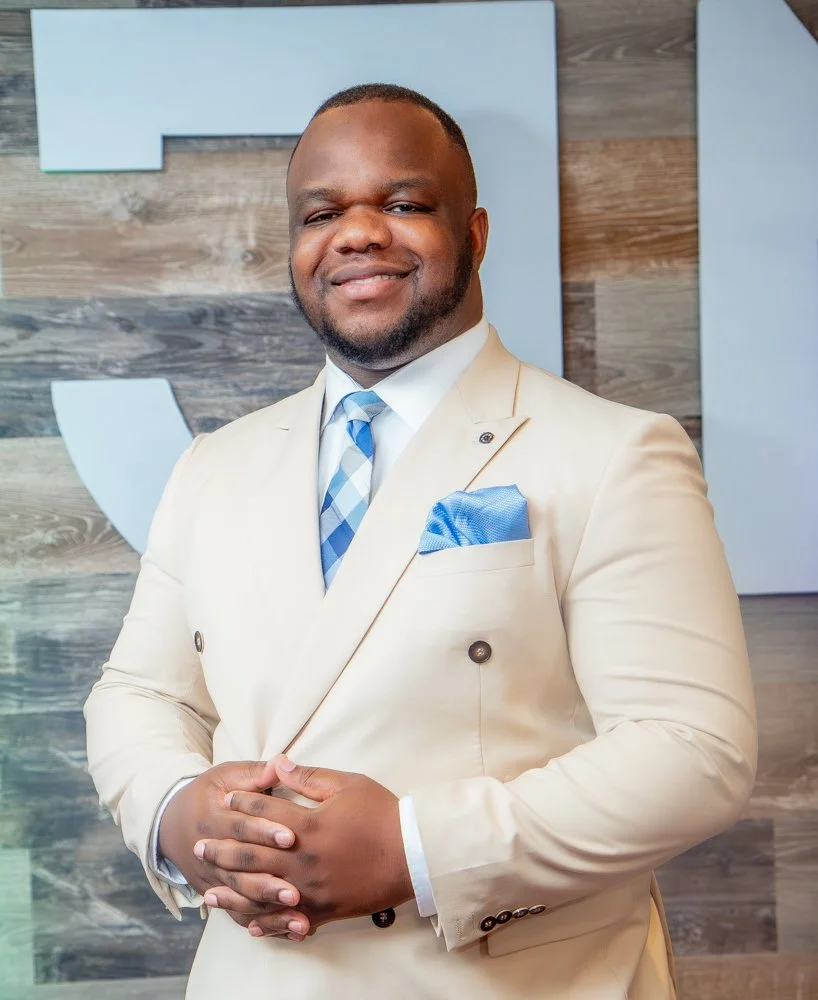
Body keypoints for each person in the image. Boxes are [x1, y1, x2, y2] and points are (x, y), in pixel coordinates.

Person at [85, 83, 757, 1000]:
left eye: (402, 203)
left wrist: (414, 850)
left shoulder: (615, 452)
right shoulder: (216, 465)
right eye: (322, 212)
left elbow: (694, 751)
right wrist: (179, 812)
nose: (357, 233)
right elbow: (138, 692)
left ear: (475, 234)